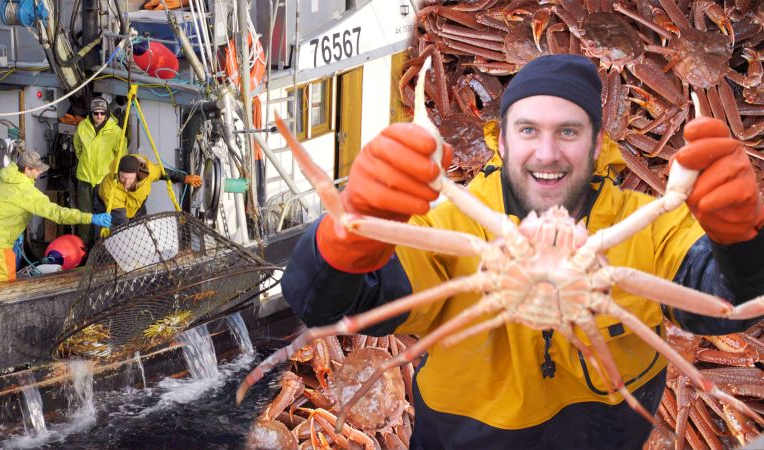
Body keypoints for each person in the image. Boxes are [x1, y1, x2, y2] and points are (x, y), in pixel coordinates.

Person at [281, 54, 764, 449]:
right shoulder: (453, 223)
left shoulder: (648, 225)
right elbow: (331, 306)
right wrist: (345, 239)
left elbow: (729, 307)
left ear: (599, 143)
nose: (547, 152)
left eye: (569, 132)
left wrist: (743, 244)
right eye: (528, 130)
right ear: (502, 140)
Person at [0, 150, 111, 284]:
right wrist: (91, 218)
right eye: (37, 169)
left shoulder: (2, 174)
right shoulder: (27, 193)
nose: (41, 171)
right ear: (26, 169)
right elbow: (58, 214)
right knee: (4, 289)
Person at [94, 153, 202, 229]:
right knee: (113, 237)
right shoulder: (110, 188)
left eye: (130, 178)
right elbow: (121, 220)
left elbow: (162, 173)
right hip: (109, 210)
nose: (126, 182)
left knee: (142, 230)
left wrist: (185, 178)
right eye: (123, 177)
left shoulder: (147, 171)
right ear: (118, 173)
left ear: (137, 173)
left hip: (138, 208)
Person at [73, 97, 126, 246]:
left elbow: (121, 154)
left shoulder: (116, 131)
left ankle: (102, 248)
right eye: (96, 113)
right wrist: (83, 161)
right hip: (84, 179)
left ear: (107, 113)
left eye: (102, 113)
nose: (99, 116)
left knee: (104, 217)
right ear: (91, 113)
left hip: (104, 181)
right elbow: (77, 146)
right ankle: (84, 249)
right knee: (84, 215)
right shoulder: (82, 127)